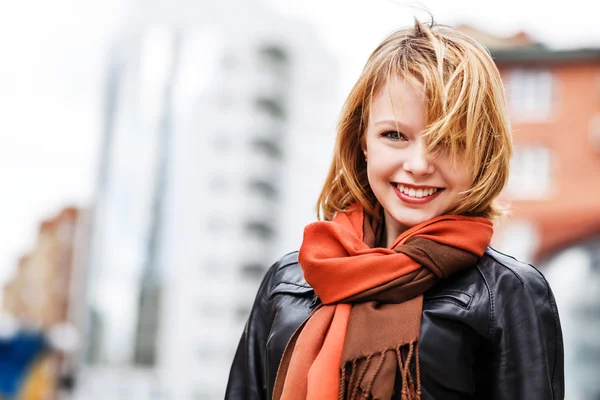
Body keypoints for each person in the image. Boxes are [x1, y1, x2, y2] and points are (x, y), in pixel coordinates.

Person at [225, 19, 564, 400]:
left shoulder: (506, 293)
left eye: (448, 141)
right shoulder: (289, 280)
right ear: (363, 142)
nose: (419, 164)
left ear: (481, 153)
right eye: (394, 136)